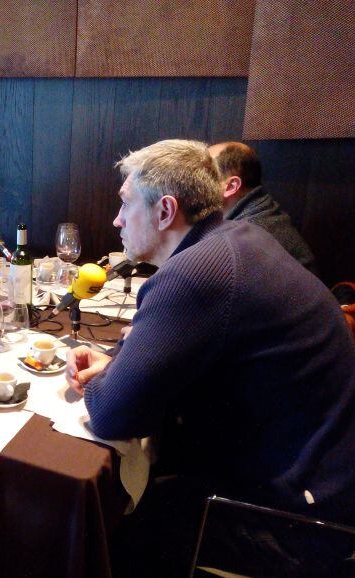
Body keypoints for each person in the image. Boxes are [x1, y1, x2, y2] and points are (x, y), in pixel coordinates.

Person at [66, 140, 355, 577]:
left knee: (106, 536)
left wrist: (107, 379)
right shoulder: (237, 238)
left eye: (126, 205)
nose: (116, 219)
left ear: (165, 212)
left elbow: (111, 414)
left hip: (300, 524)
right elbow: (163, 345)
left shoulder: (199, 273)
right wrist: (119, 363)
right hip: (324, 482)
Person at [208, 141, 318, 274]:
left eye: (205, 173)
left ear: (231, 186)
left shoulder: (248, 238)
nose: (195, 180)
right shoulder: (260, 209)